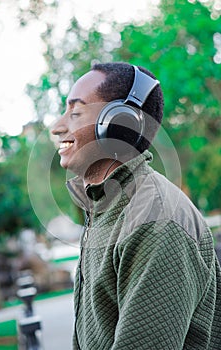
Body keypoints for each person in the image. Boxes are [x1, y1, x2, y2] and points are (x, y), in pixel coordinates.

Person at [52, 62, 221, 349]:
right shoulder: (106, 206)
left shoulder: (155, 220)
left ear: (119, 122)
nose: (57, 127)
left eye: (76, 111)